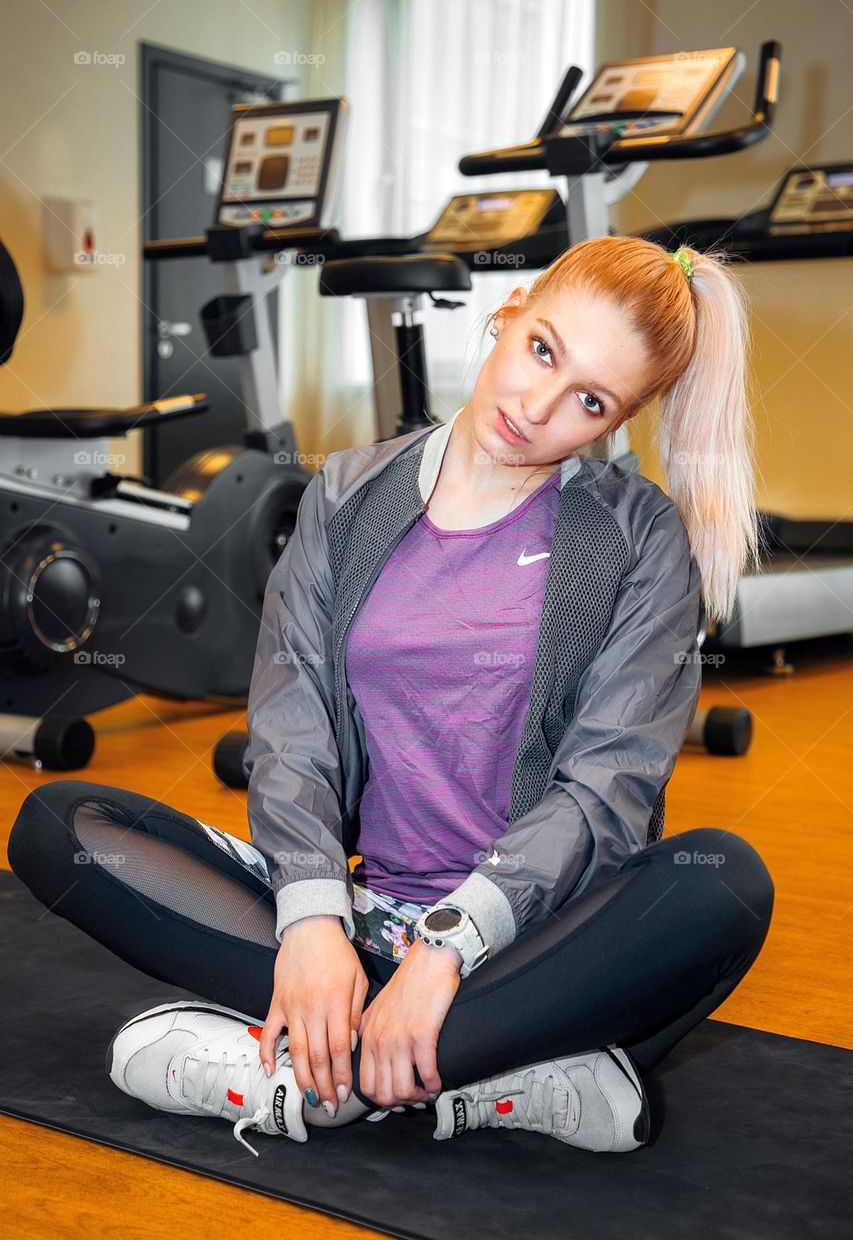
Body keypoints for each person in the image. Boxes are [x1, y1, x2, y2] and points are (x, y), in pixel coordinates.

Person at [9, 236, 775, 1158]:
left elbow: (606, 790)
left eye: (589, 401)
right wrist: (313, 923)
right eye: (541, 350)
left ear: (622, 418)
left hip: (534, 944)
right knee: (60, 826)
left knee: (722, 884)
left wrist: (448, 947)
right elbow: (292, 728)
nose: (536, 407)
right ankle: (488, 1074)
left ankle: (320, 1077)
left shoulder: (638, 536)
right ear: (510, 311)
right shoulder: (345, 493)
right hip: (361, 923)